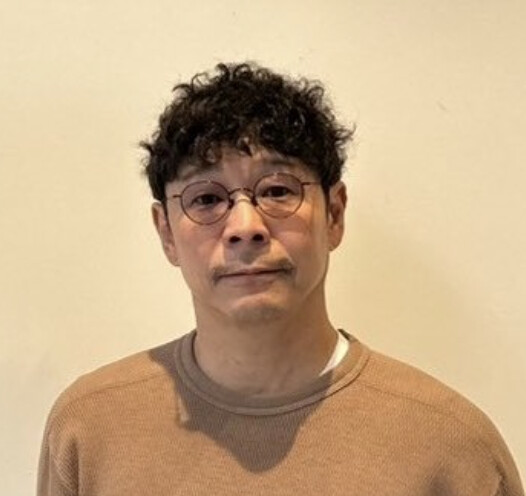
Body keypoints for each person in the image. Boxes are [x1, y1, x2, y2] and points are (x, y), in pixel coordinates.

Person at [37, 62, 524, 496]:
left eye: (276, 191)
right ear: (166, 231)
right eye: (206, 199)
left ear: (334, 214)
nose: (245, 226)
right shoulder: (89, 429)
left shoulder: (451, 449)